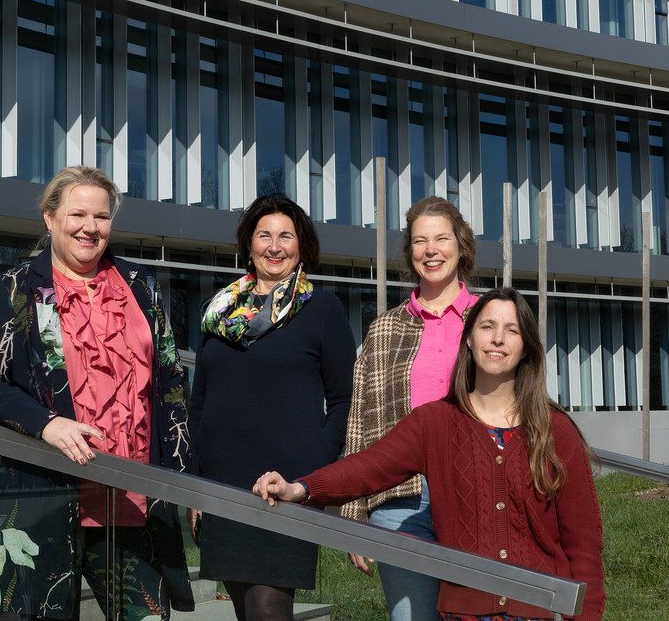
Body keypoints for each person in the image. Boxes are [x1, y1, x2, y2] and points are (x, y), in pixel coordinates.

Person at [253, 288, 605, 621]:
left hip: (543, 610)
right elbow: (368, 467)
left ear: (525, 347)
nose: (498, 338)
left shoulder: (556, 430)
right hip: (465, 612)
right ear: (468, 338)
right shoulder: (435, 423)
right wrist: (300, 488)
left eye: (511, 330)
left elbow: (584, 544)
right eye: (487, 326)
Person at [0, 165, 194, 620]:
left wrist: (186, 480)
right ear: (50, 218)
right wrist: (46, 423)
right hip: (42, 496)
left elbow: (170, 384)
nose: (91, 227)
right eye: (77, 214)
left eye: (102, 217)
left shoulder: (141, 287)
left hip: (133, 497)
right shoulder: (19, 287)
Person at [189, 193, 357, 621]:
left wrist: (311, 476)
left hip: (284, 489)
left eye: (286, 235)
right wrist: (195, 487)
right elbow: (200, 401)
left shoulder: (322, 309)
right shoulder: (218, 309)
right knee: (246, 611)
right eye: (264, 235)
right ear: (249, 244)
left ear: (302, 245)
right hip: (222, 487)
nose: (274, 245)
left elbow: (342, 403)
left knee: (268, 608)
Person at [343, 196, 478, 620]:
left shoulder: (489, 319)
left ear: (461, 246)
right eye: (420, 241)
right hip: (400, 499)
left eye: (441, 238)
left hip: (476, 491)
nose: (431, 250)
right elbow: (361, 421)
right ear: (410, 252)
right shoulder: (384, 327)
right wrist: (353, 511)